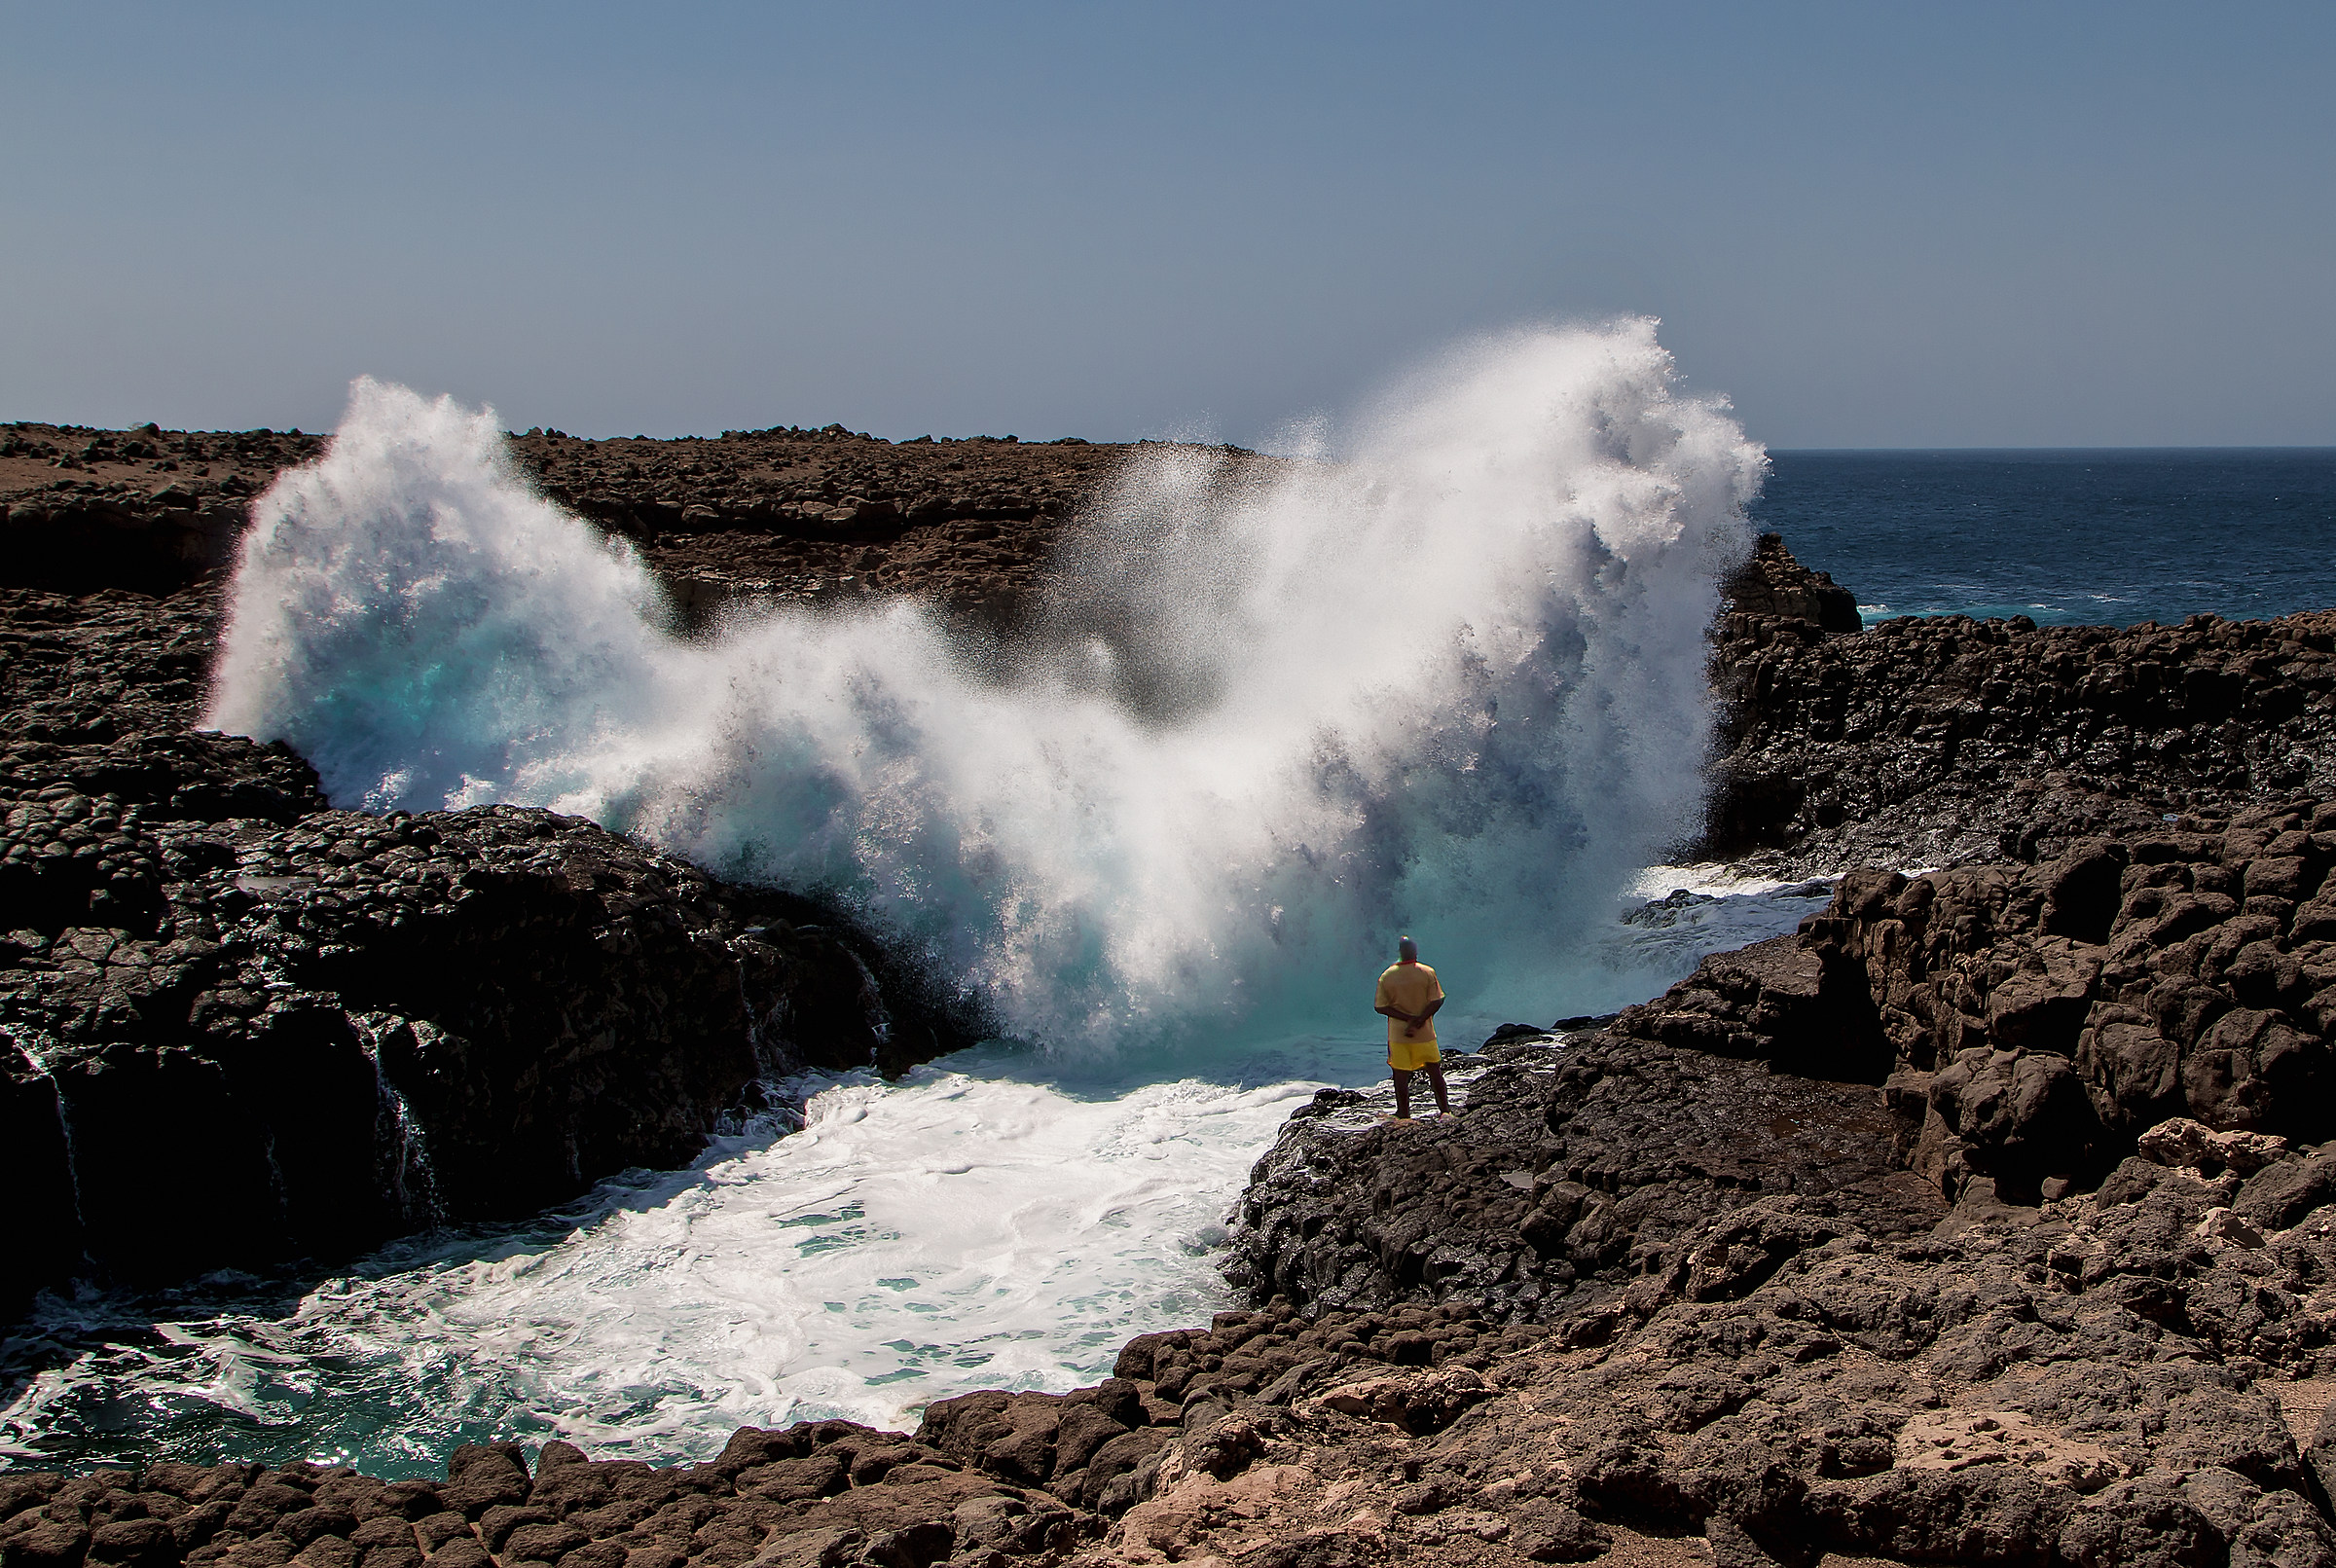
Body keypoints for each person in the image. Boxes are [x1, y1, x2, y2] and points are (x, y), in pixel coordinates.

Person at [1373, 934, 1449, 1121]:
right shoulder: (1427, 972)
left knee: (1400, 1075)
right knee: (1434, 1071)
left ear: (1400, 952)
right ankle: (1445, 1111)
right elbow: (1437, 1000)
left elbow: (1380, 1007)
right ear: (1415, 952)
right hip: (1425, 1033)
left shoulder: (1387, 976)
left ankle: (1404, 1113)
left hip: (1399, 1036)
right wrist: (1419, 1020)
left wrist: (1407, 1019)